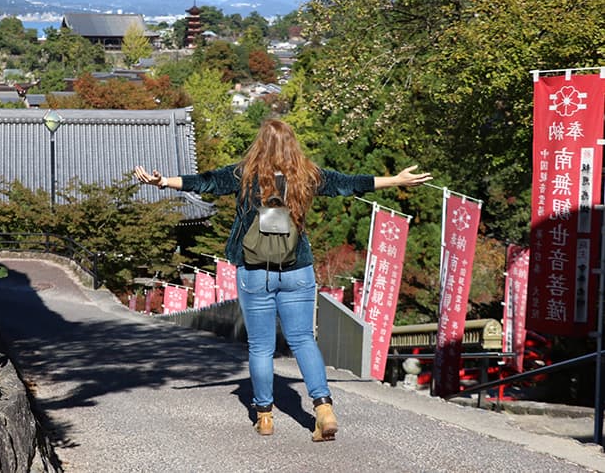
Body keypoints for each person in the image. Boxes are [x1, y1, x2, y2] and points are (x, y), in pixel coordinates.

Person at [134, 119, 431, 442]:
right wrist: (396, 180)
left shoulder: (244, 174)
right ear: (292, 144)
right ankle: (323, 408)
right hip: (297, 269)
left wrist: (163, 182)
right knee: (303, 339)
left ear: (259, 144)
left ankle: (264, 416)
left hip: (254, 271)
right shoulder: (307, 175)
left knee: (261, 346)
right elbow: (349, 183)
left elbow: (205, 182)